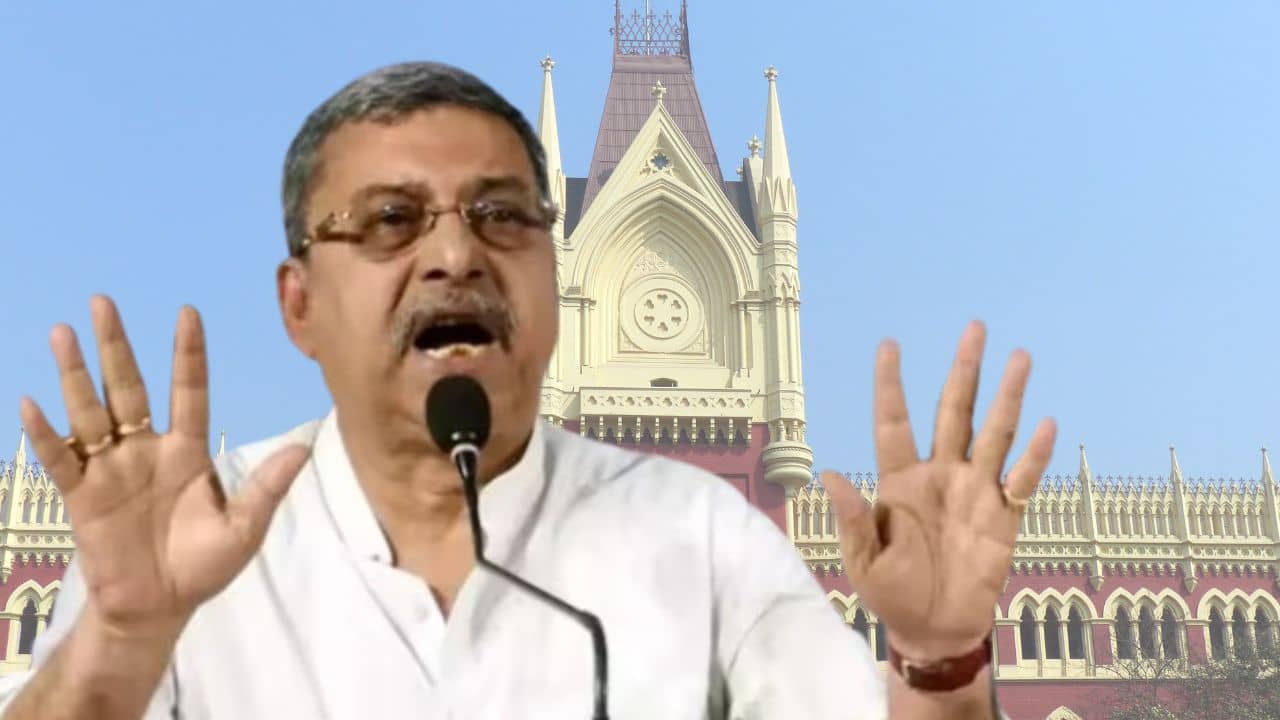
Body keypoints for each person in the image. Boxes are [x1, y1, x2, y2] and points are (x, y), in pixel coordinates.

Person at [0, 62, 1055, 719]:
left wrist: (937, 661)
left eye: (503, 215)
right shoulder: (183, 552)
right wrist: (121, 643)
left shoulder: (704, 537)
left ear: (556, 278)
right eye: (390, 220)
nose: (454, 254)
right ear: (299, 305)